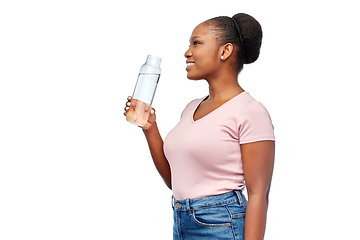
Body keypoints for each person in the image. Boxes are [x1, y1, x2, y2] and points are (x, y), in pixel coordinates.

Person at [124, 13, 275, 240]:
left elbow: (258, 195)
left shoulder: (250, 111)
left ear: (225, 51)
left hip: (222, 224)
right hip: (182, 221)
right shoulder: (191, 108)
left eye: (196, 43)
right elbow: (175, 181)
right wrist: (150, 129)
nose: (187, 52)